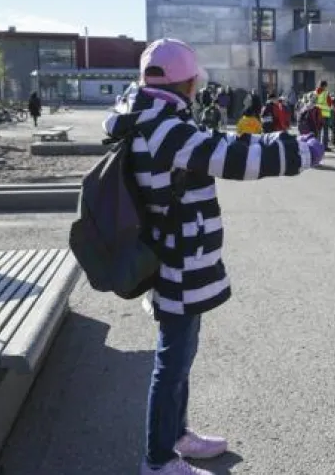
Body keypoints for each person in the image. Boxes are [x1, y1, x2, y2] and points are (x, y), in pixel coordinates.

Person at [102, 38, 323, 475]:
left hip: (174, 252)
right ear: (184, 83)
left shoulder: (151, 116)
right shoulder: (164, 127)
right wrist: (297, 151)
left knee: (180, 356)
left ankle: (176, 436)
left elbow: (213, 144)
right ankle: (158, 460)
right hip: (177, 256)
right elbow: (228, 157)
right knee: (172, 361)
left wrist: (278, 140)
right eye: (192, 82)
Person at [314, 80, 334, 150]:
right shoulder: (325, 93)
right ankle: (324, 146)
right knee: (325, 131)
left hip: (316, 115)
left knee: (318, 131)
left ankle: (317, 145)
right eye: (326, 86)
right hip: (325, 115)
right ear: (324, 86)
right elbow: (330, 103)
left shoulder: (315, 93)